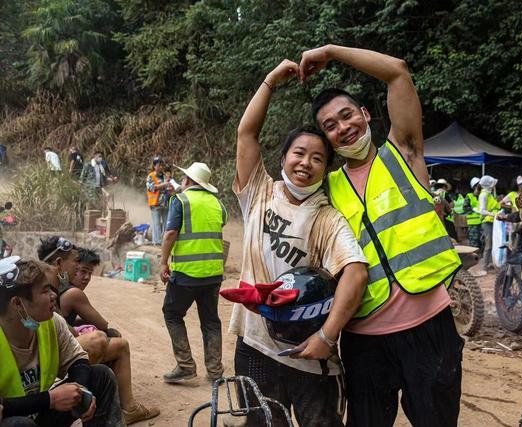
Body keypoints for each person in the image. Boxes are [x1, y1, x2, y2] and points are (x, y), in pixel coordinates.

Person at [307, 45, 463, 427]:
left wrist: (330, 51)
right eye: (330, 125)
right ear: (327, 140)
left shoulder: (404, 153)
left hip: (429, 327)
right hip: (363, 338)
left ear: (365, 115)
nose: (343, 127)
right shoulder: (325, 188)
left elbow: (397, 72)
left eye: (347, 116)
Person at [229, 58, 368, 427]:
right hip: (255, 347)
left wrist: (327, 334)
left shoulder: (328, 217)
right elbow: (246, 135)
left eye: (318, 158)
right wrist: (271, 81)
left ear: (327, 168)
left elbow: (355, 273)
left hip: (310, 359)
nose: (306, 163)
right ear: (284, 158)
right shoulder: (259, 192)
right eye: (299, 153)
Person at [37, 237, 158, 424]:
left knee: (100, 359)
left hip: (47, 357)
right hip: (47, 362)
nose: (78, 269)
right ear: (59, 263)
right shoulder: (59, 291)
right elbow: (99, 324)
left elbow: (59, 323)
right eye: (76, 263)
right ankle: (129, 407)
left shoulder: (44, 286)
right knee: (105, 339)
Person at [0, 257, 123, 426]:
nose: (53, 296)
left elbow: (78, 359)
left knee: (101, 375)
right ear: (18, 304)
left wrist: (79, 391)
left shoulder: (51, 322)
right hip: (12, 418)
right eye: (45, 291)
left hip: (37, 414)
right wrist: (51, 399)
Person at [160, 162, 227, 384]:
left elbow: (170, 233)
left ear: (188, 181)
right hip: (213, 274)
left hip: (186, 274)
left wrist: (163, 263)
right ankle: (215, 371)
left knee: (172, 314)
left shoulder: (180, 200)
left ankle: (186, 365)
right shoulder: (218, 204)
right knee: (210, 321)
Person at [146, 156, 172, 245]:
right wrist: (164, 185)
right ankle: (157, 243)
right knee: (156, 224)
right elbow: (151, 188)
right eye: (159, 165)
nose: (161, 167)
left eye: (162, 165)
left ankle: (165, 242)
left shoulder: (165, 176)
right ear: (154, 166)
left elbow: (169, 187)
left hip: (165, 204)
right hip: (155, 204)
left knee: (166, 224)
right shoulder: (151, 176)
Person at [477, 175, 499, 273]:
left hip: (492, 221)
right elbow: (482, 211)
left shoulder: (489, 194)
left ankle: (490, 263)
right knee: (488, 245)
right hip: (487, 221)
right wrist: (493, 214)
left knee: (493, 244)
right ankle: (484, 267)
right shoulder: (484, 195)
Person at [464, 177, 482, 249]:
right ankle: (474, 256)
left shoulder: (483, 195)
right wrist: (472, 209)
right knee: (473, 241)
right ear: (474, 186)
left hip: (482, 221)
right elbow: (465, 207)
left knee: (482, 240)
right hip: (473, 223)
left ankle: (481, 256)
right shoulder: (469, 196)